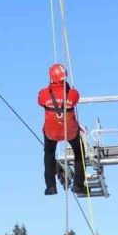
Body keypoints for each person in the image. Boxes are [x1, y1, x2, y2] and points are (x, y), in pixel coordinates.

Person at [38, 63, 87, 196]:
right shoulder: (73, 94)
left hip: (51, 132)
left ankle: (51, 187)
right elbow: (74, 98)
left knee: (49, 154)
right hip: (70, 131)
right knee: (79, 154)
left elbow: (40, 101)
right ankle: (78, 185)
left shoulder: (43, 94)